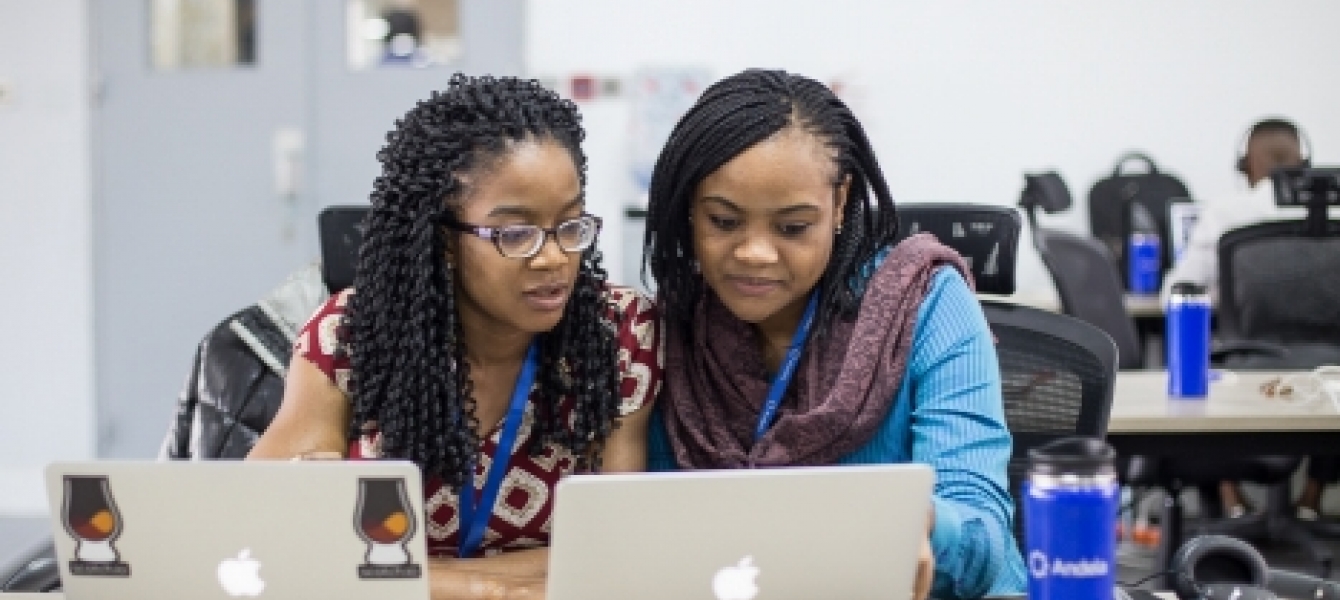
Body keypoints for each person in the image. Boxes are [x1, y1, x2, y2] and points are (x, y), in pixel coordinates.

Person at [248, 74, 663, 600]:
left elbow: (615, 553)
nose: (555, 258)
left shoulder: (618, 334)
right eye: (516, 233)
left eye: (571, 224)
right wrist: (483, 587)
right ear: (444, 239)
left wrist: (411, 577)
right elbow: (269, 541)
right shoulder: (350, 337)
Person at [640, 69, 1026, 600]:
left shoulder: (926, 302)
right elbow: (649, 533)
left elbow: (984, 543)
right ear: (688, 210)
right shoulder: (668, 329)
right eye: (723, 222)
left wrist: (921, 523)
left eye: (793, 227)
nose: (755, 253)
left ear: (840, 203)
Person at [1160, 118, 1337, 522]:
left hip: (1253, 368)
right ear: (1304, 160)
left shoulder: (1229, 214)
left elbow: (1178, 293)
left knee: (1208, 360)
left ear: (1246, 165)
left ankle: (1231, 500)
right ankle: (1311, 499)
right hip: (1335, 376)